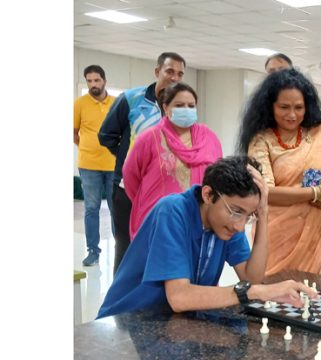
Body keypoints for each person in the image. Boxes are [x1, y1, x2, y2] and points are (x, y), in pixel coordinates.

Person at [97, 157, 317, 319]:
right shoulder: (173, 211)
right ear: (208, 195)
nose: (240, 226)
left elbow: (252, 277)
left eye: (249, 216)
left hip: (173, 323)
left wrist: (264, 213)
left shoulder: (226, 223)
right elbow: (180, 297)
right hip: (130, 323)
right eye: (236, 211)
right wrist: (256, 292)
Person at [239, 69, 321, 280]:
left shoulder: (320, 134)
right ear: (270, 107)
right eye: (284, 107)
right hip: (277, 233)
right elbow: (264, 191)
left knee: (313, 297)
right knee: (276, 295)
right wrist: (314, 193)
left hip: (317, 232)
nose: (292, 115)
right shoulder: (262, 141)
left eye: (299, 107)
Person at [99, 52, 187, 273]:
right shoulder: (132, 98)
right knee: (127, 248)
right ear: (157, 71)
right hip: (127, 190)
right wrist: (130, 161)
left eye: (180, 73)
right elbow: (107, 136)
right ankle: (119, 305)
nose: (175, 77)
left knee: (158, 248)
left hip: (163, 192)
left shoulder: (182, 107)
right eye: (169, 71)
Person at [123, 82, 223, 239]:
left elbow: (219, 174)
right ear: (166, 107)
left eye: (191, 106)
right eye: (179, 105)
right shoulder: (150, 138)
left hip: (199, 219)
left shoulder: (209, 138)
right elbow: (131, 177)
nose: (186, 110)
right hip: (160, 220)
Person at [74, 65, 116, 266]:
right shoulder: (79, 104)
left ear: (104, 81)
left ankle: (121, 249)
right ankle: (93, 251)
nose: (93, 85)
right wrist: (87, 148)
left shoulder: (117, 103)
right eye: (89, 81)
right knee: (91, 208)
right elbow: (74, 132)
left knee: (116, 208)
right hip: (88, 164)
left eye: (96, 80)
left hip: (114, 164)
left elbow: (124, 133)